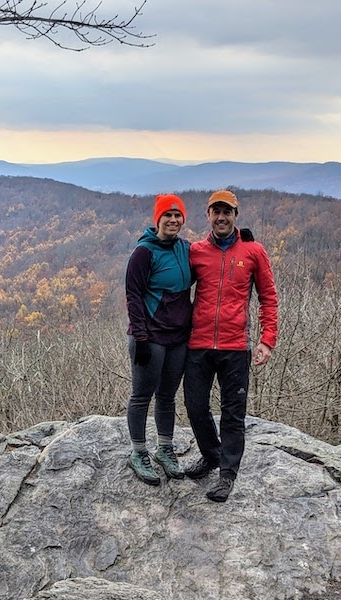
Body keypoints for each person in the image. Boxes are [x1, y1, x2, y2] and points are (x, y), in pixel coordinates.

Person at [183, 189, 278, 502]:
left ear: (236, 216)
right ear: (208, 215)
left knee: (233, 414)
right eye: (216, 212)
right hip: (198, 345)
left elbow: (268, 297)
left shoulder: (254, 252)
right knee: (195, 407)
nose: (221, 217)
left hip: (235, 347)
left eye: (227, 212)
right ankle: (211, 455)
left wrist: (267, 339)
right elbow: (173, 285)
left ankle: (227, 474)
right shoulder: (195, 251)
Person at [124, 193, 193, 485]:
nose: (173, 220)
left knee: (167, 395)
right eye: (168, 215)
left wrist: (241, 239)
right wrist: (140, 336)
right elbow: (133, 295)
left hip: (178, 337)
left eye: (178, 216)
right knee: (142, 396)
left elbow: (217, 252)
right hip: (149, 337)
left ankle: (165, 449)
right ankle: (138, 452)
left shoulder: (186, 249)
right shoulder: (144, 252)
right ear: (158, 219)